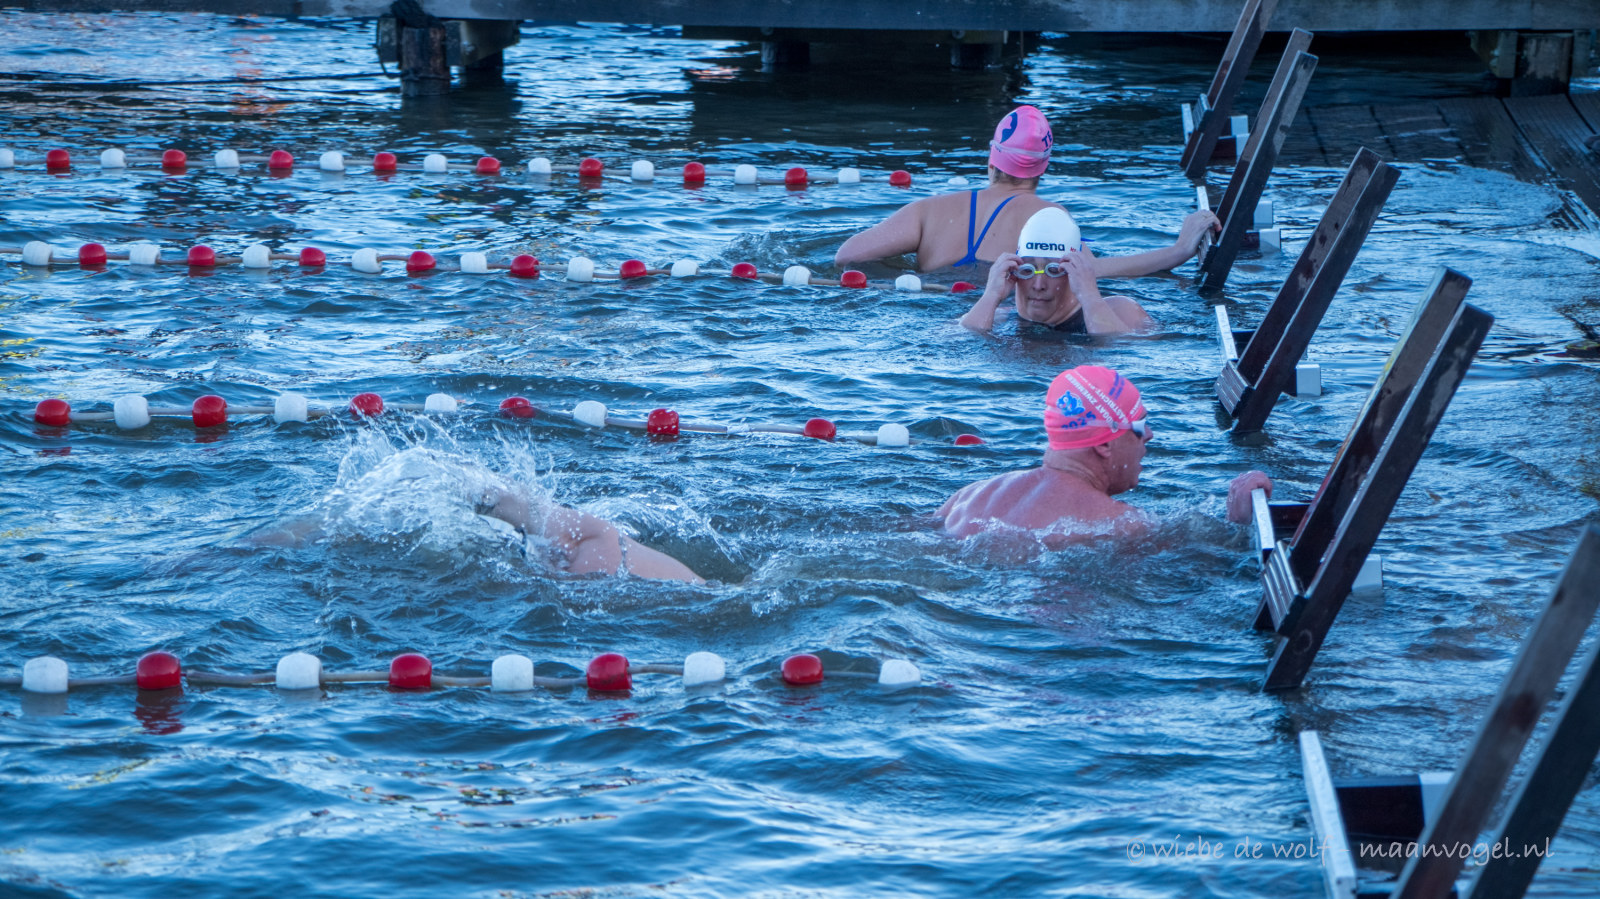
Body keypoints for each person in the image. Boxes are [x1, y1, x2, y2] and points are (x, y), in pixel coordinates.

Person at [833, 104, 1220, 275]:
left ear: (991, 158)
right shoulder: (1049, 218)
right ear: (1043, 168)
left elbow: (847, 256)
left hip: (935, 311)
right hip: (999, 319)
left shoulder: (928, 211)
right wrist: (1177, 251)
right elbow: (1095, 272)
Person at [938, 365, 1272, 537]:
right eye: (1139, 426)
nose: (1149, 435)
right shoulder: (1124, 526)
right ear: (1103, 443)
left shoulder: (969, 497)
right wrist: (1238, 523)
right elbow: (1211, 569)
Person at [958, 207, 1153, 335]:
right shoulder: (997, 318)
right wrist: (990, 296)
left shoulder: (1121, 310)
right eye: (1027, 270)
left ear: (1077, 272)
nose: (1038, 285)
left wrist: (1090, 296)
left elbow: (1121, 352)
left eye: (1054, 270)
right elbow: (965, 345)